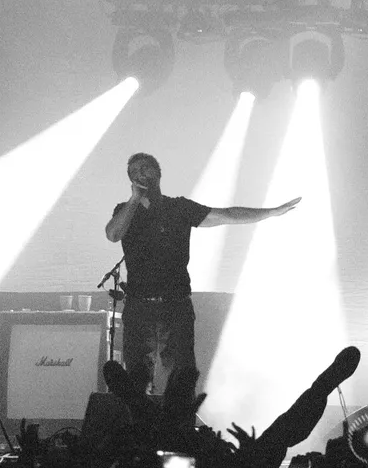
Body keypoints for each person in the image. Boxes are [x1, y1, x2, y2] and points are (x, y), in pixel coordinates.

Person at [105, 152, 299, 389]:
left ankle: (178, 412)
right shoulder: (124, 210)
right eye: (134, 172)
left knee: (179, 380)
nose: (140, 174)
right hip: (139, 307)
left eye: (145, 168)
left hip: (175, 306)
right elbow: (113, 234)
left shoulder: (178, 208)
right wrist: (134, 199)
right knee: (136, 380)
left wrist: (270, 212)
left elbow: (226, 214)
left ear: (158, 172)